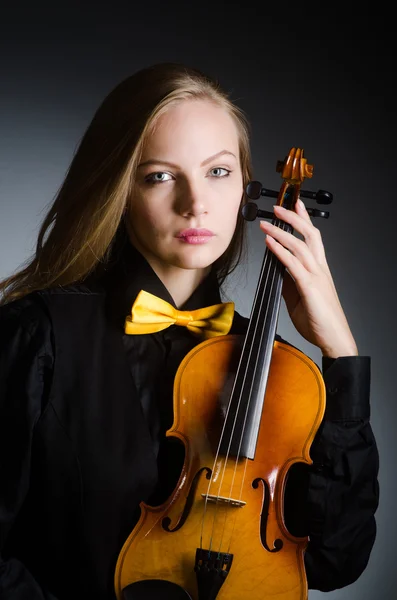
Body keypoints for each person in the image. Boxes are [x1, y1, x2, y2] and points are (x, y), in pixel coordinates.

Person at [0, 62, 379, 600]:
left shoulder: (276, 368)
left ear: (247, 188)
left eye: (218, 172)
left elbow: (334, 560)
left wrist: (340, 353)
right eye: (160, 175)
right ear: (120, 189)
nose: (195, 203)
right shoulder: (37, 337)